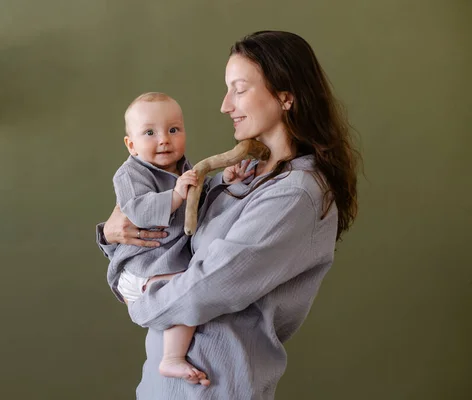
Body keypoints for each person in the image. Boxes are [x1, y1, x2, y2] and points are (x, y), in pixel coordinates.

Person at [96, 30, 359, 399]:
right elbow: (175, 241)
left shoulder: (294, 194)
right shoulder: (248, 173)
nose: (225, 105)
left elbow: (207, 285)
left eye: (239, 89)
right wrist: (111, 235)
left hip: (213, 387)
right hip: (166, 387)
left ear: (285, 97)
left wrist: (140, 298)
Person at [105, 92, 249, 386]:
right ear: (131, 145)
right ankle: (171, 358)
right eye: (150, 133)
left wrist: (225, 180)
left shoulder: (182, 167)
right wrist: (174, 196)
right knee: (185, 289)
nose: (164, 140)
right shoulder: (129, 174)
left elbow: (199, 196)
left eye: (174, 130)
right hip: (138, 266)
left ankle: (169, 355)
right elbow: (137, 211)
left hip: (163, 263)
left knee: (187, 289)